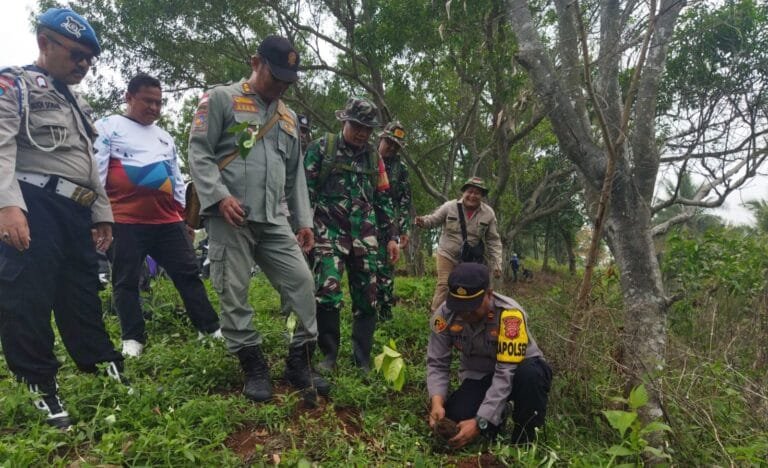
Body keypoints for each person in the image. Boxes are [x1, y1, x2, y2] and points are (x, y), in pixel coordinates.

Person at [0, 8, 128, 430]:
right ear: (45, 43)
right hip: (33, 200)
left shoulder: (78, 101)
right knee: (28, 297)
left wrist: (100, 211)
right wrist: (7, 204)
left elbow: (87, 161)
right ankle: (39, 385)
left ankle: (102, 367)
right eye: (76, 55)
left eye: (89, 59)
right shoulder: (14, 82)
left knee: (82, 293)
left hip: (76, 208)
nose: (83, 66)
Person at [188, 35, 329, 402]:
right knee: (233, 291)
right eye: (275, 76)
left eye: (287, 80)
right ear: (256, 62)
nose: (281, 85)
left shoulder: (287, 117)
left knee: (301, 283)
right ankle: (252, 365)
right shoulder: (219, 98)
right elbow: (199, 153)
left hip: (274, 218)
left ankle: (299, 361)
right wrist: (218, 197)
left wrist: (304, 221)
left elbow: (296, 172)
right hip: (230, 216)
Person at [94, 73, 222, 358]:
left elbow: (176, 179)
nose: (154, 108)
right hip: (124, 221)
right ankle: (132, 338)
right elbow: (96, 173)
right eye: (148, 101)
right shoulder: (107, 127)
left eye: (159, 103)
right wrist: (97, 217)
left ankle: (209, 327)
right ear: (129, 98)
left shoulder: (164, 137)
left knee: (188, 273)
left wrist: (184, 219)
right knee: (126, 280)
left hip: (167, 222)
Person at [304, 96, 400, 372]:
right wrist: (303, 228)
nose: (362, 133)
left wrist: (391, 237)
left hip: (365, 237)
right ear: (345, 121)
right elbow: (305, 191)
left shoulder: (375, 158)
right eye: (357, 125)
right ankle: (328, 355)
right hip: (327, 233)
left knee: (368, 298)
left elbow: (382, 198)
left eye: (368, 128)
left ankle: (362, 360)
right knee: (328, 293)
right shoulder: (322, 148)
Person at [427, 262, 552, 448]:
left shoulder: (510, 315)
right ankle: (498, 416)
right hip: (481, 377)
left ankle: (524, 442)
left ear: (489, 294)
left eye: (472, 306)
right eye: (460, 306)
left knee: (531, 375)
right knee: (454, 418)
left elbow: (505, 373)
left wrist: (480, 422)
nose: (466, 313)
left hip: (519, 374)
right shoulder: (444, 316)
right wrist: (437, 402)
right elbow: (437, 363)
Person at [415, 177, 503, 312]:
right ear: (463, 192)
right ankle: (437, 318)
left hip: (470, 259)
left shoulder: (488, 213)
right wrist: (423, 221)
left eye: (477, 193)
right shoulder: (449, 207)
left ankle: (464, 317)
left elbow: (493, 240)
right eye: (470, 191)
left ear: (482, 196)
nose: (472, 196)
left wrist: (497, 263)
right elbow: (433, 220)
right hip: (447, 254)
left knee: (470, 287)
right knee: (444, 285)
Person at [375, 121, 411, 321]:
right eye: (389, 142)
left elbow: (404, 201)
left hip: (388, 229)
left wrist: (402, 229)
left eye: (396, 145)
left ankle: (385, 317)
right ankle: (364, 316)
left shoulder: (401, 168)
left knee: (386, 274)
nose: (391, 147)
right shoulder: (366, 157)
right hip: (362, 224)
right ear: (382, 138)